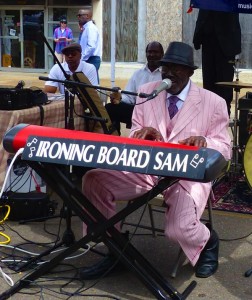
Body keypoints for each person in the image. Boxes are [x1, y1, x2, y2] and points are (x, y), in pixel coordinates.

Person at [79, 41, 231, 280]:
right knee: (93, 179)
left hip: (186, 176)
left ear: (190, 72)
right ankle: (116, 248)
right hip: (147, 171)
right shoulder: (148, 91)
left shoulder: (214, 102)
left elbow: (225, 148)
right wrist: (145, 134)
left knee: (177, 229)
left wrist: (204, 141)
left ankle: (208, 241)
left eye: (176, 67)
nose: (168, 72)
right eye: (165, 66)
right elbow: (136, 133)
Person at [105, 41, 164, 135]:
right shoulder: (138, 74)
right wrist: (118, 97)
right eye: (149, 52)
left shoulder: (165, 74)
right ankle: (114, 138)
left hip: (158, 115)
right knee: (110, 108)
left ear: (162, 54)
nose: (152, 55)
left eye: (155, 52)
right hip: (138, 112)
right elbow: (129, 97)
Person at [193, 10, 241, 116]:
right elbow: (203, 10)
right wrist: (198, 33)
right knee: (209, 82)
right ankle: (208, 115)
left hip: (226, 43)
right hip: (207, 39)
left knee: (224, 86)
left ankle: (224, 115)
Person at [77, 8, 102, 78]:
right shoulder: (86, 28)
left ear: (87, 16)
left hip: (91, 59)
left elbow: (91, 46)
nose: (78, 17)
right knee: (87, 82)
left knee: (91, 83)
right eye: (78, 16)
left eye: (80, 15)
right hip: (88, 58)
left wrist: (82, 58)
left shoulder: (91, 28)